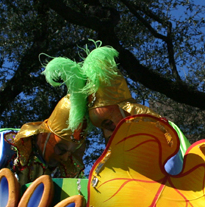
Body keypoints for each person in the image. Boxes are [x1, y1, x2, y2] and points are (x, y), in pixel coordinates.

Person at [45, 45, 190, 175]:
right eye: (103, 128)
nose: (108, 135)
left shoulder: (164, 136)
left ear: (127, 111)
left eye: (108, 124)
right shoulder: (113, 162)